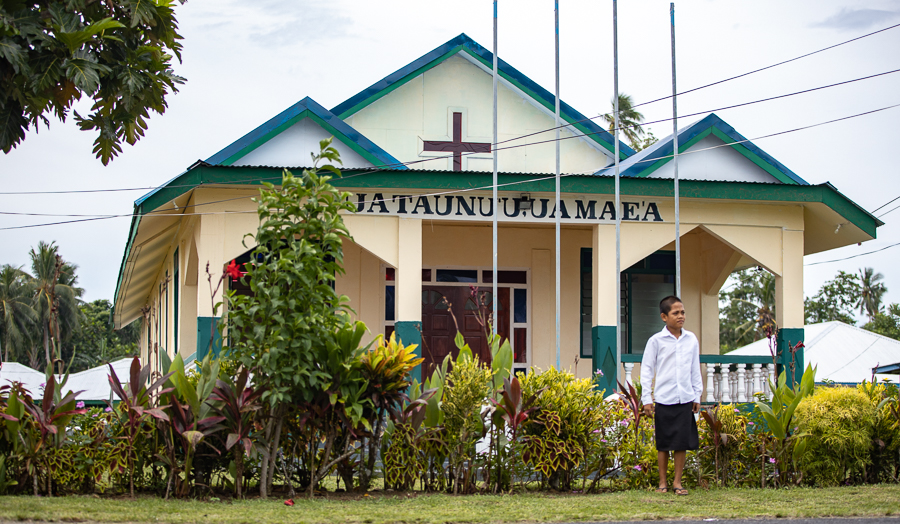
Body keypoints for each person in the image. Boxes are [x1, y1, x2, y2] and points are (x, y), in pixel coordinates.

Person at [640, 295, 702, 496]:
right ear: (664, 317)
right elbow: (647, 370)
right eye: (675, 313)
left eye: (682, 312)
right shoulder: (656, 341)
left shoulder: (691, 339)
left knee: (681, 443)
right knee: (664, 443)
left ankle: (677, 482)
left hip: (685, 398)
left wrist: (697, 395)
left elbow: (695, 368)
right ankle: (663, 483)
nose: (681, 316)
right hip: (664, 399)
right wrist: (647, 399)